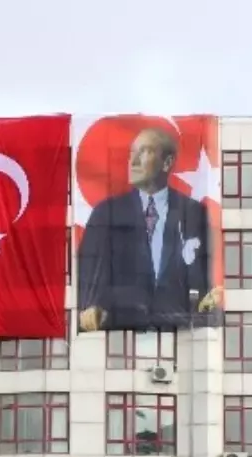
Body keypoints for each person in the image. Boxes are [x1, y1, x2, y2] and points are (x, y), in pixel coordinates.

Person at [77, 127, 215, 333]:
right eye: (132, 154)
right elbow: (87, 272)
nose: (133, 162)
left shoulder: (194, 213)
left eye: (145, 152)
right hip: (120, 338)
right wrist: (88, 307)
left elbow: (207, 276)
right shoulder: (106, 213)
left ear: (167, 163)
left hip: (180, 337)